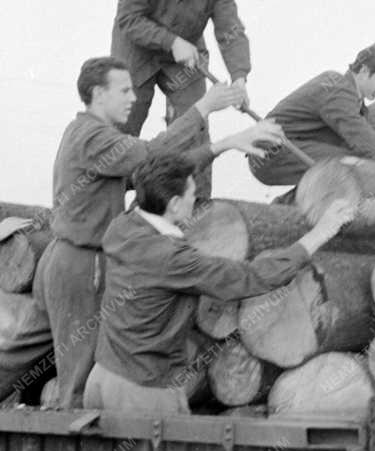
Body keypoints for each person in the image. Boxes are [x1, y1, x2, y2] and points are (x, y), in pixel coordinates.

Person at [37, 56, 277, 409]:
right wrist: (202, 108)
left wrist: (222, 146)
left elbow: (155, 177)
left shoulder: (96, 136)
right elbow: (152, 156)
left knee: (39, 358)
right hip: (80, 264)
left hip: (78, 259)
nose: (133, 98)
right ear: (98, 94)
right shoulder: (92, 136)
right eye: (123, 90)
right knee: (78, 378)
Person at [85, 154, 353, 413]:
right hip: (140, 390)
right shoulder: (172, 259)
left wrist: (224, 144)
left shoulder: (122, 227)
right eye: (193, 194)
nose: (197, 199)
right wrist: (321, 232)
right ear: (175, 204)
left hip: (101, 377)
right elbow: (250, 277)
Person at [112, 0, 251, 201]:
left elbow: (230, 31)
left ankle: (195, 210)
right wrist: (170, 41)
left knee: (194, 125)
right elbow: (129, 19)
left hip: (186, 58)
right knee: (122, 130)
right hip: (137, 50)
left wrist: (239, 77)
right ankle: (108, 204)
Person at [250, 43, 375, 188]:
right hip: (270, 151)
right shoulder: (337, 86)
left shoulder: (355, 103)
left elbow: (365, 140)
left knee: (356, 161)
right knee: (353, 164)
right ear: (364, 71)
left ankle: (295, 205)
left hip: (287, 150)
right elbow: (357, 131)